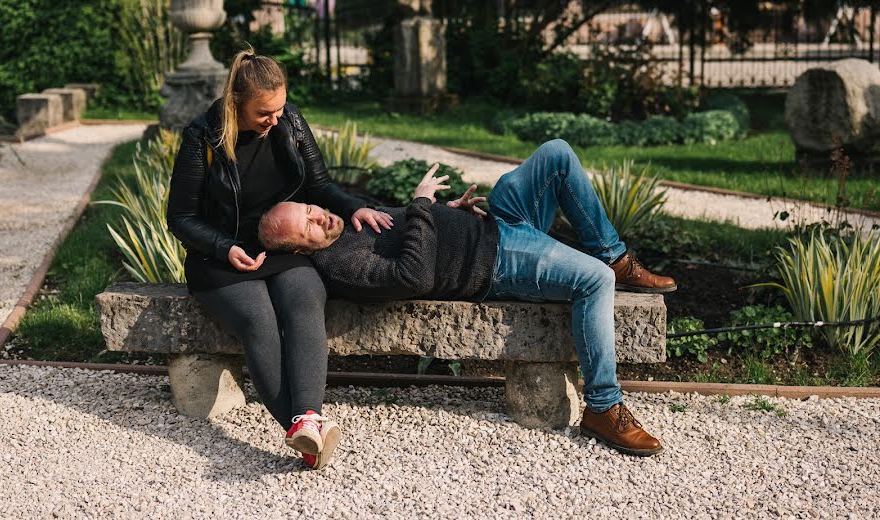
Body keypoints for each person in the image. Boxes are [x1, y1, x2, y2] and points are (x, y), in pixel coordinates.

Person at [258, 139, 676, 457]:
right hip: (495, 260)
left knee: (557, 153)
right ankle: (604, 407)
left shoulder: (346, 222)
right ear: (300, 250)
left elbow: (406, 231)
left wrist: (449, 211)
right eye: (308, 227)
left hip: (497, 220)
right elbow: (413, 275)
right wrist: (422, 204)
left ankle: (617, 254)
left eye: (310, 209)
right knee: (595, 281)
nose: (319, 216)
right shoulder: (338, 264)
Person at [166, 47, 394, 470]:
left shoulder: (289, 122)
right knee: (259, 319)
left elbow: (320, 184)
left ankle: (307, 420)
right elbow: (179, 218)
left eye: (280, 108)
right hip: (218, 255)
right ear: (236, 105)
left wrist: (352, 206)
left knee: (305, 296)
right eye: (263, 113)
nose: (274, 120)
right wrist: (223, 247)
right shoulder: (203, 139)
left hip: (282, 248)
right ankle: (305, 427)